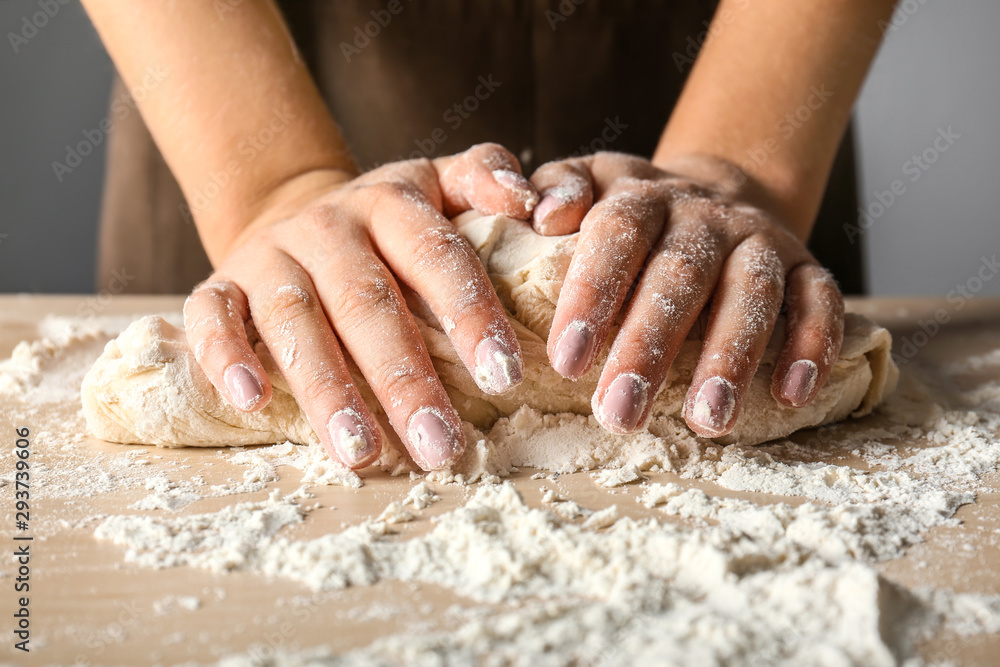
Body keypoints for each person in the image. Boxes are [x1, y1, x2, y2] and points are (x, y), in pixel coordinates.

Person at [81, 0, 897, 472]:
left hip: (744, 71)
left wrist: (738, 164)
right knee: (279, 331)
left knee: (732, 315)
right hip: (237, 88)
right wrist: (273, 189)